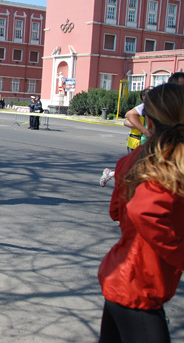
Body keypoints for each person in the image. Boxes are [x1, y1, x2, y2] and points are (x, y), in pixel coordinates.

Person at [97, 82, 184, 343]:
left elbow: (116, 211)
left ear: (151, 121)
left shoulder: (133, 160)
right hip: (139, 286)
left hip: (122, 277)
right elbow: (145, 211)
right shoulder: (171, 163)